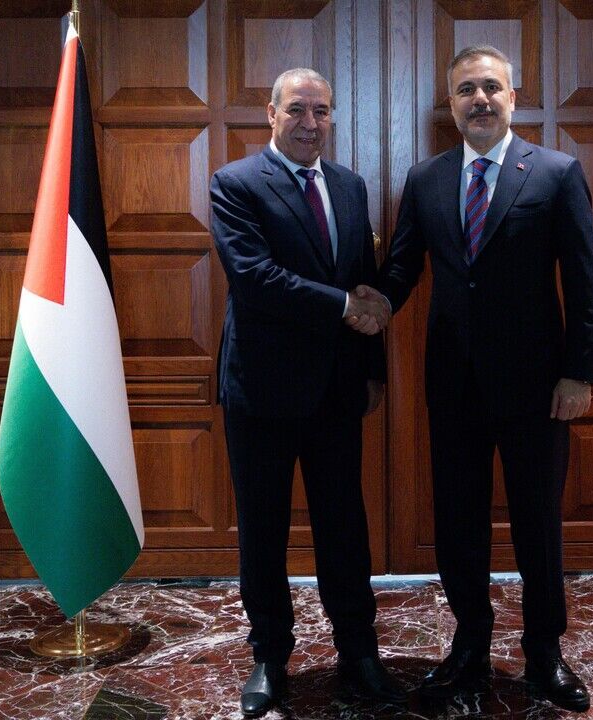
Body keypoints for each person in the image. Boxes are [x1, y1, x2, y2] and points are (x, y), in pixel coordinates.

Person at [358, 45, 593, 712]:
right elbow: (403, 266)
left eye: (491, 87)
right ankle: (470, 645)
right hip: (454, 385)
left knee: (537, 525)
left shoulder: (555, 173)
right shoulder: (426, 178)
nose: (480, 100)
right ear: (452, 104)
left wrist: (579, 373)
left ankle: (544, 653)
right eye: (467, 90)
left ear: (513, 97)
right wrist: (373, 303)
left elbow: (584, 282)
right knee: (458, 522)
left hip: (538, 389)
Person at [210, 67, 404, 717]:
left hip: (336, 392)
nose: (310, 123)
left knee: (345, 527)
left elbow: (363, 278)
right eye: (297, 109)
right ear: (271, 113)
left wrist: (373, 368)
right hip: (261, 391)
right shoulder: (236, 183)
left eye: (321, 111)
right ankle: (270, 656)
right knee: (262, 531)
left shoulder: (349, 186)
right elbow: (254, 278)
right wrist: (346, 306)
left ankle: (359, 653)